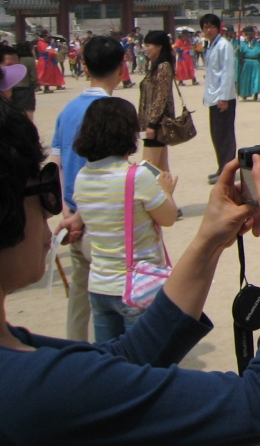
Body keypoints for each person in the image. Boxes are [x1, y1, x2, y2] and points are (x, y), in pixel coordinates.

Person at [0, 99, 260, 446]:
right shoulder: (30, 394)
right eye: (45, 189)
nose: (50, 212)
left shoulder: (14, 361)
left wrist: (208, 241)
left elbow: (126, 359)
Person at [71, 97, 180, 341]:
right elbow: (168, 217)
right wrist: (165, 191)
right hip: (137, 287)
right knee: (143, 358)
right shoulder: (137, 176)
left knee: (110, 359)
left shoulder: (82, 177)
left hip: (99, 284)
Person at [48, 35, 126, 342]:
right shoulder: (113, 112)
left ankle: (76, 349)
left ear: (85, 66)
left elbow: (56, 164)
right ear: (121, 68)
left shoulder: (67, 111)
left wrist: (68, 212)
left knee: (80, 293)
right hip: (104, 217)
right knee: (119, 294)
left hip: (72, 214)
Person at [200, 14, 237, 185]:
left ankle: (227, 171)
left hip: (223, 97)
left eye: (211, 27)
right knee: (217, 134)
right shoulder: (210, 45)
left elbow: (227, 72)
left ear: (218, 28)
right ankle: (222, 167)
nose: (208, 30)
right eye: (205, 27)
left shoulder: (224, 46)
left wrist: (223, 97)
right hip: (213, 96)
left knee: (225, 135)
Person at [137, 30, 176, 175]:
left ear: (159, 46)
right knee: (161, 170)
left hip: (157, 125)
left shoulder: (163, 67)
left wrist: (152, 123)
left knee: (148, 169)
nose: (146, 49)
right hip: (153, 124)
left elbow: (161, 97)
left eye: (148, 45)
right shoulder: (156, 66)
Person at [237, 26, 260, 101]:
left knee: (256, 78)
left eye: (252, 34)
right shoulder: (242, 44)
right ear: (246, 34)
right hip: (246, 62)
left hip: (255, 62)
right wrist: (238, 50)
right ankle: (244, 94)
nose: (251, 35)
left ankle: (255, 94)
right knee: (245, 78)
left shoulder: (258, 43)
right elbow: (239, 55)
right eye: (249, 34)